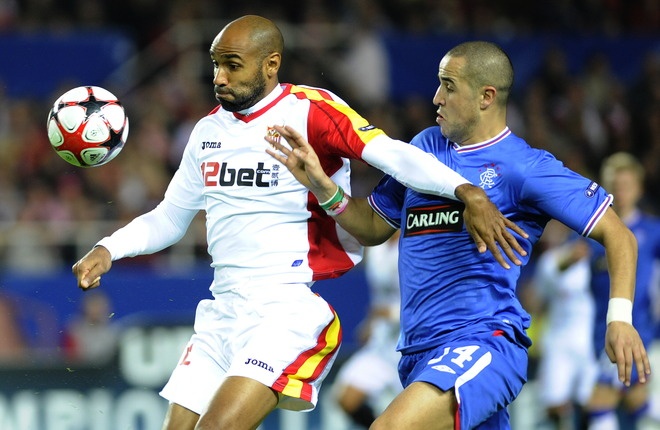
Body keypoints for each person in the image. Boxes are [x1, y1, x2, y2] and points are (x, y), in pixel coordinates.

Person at [71, 17, 527, 430]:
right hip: (220, 313)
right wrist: (109, 248)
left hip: (284, 310)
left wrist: (463, 190)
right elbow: (171, 217)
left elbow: (389, 152)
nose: (219, 78)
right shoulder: (207, 133)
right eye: (214, 65)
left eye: (232, 65)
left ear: (271, 65)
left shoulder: (311, 110)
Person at [266, 40, 651, 429]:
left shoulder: (524, 167)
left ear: (486, 97)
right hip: (417, 352)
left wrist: (619, 318)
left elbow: (620, 236)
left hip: (484, 341)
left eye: (448, 86)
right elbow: (372, 227)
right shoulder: (425, 148)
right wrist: (321, 186)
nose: (436, 97)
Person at [584, 152, 660, 430]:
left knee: (600, 402)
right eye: (615, 186)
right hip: (596, 332)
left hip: (637, 329)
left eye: (627, 186)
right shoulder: (592, 233)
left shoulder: (653, 232)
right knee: (635, 400)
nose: (621, 192)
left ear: (639, 189)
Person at [531, 220, 597, 429]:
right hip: (558, 340)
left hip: (589, 340)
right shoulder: (547, 261)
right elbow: (542, 291)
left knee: (593, 402)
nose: (551, 232)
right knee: (554, 402)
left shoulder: (588, 250)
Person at [333, 231, 403, 428]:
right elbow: (380, 296)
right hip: (381, 344)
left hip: (410, 345)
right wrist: (370, 323)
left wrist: (390, 314)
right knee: (347, 399)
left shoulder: (416, 244)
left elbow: (427, 301)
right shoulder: (376, 245)